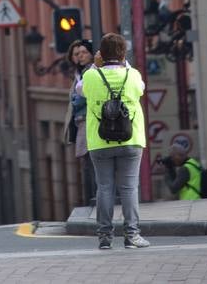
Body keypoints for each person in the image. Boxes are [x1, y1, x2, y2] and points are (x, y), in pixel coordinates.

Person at [78, 32, 149, 250]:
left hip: (100, 141)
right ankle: (132, 235)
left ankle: (105, 238)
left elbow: (79, 90)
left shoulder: (91, 76)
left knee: (104, 188)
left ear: (100, 54)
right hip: (131, 138)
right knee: (129, 188)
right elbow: (141, 90)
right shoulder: (133, 75)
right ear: (123, 53)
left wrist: (94, 66)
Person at [64, 39, 96, 206]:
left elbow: (80, 98)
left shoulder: (90, 72)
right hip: (81, 122)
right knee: (86, 160)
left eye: (84, 52)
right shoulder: (80, 73)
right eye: (76, 54)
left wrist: (76, 99)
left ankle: (95, 197)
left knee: (89, 159)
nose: (80, 56)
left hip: (88, 120)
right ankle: (92, 198)